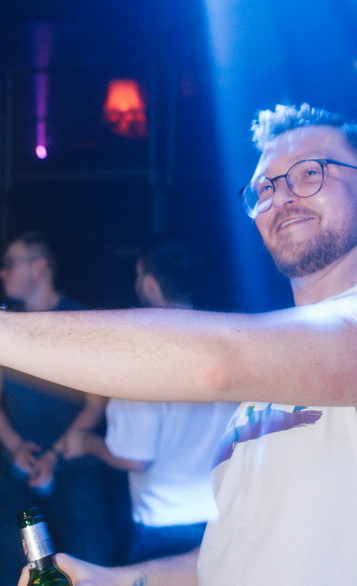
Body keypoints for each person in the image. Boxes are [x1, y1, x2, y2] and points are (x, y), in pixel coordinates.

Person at [10, 103, 357, 585]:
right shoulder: (256, 404)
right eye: (265, 187)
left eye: (309, 173)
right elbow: (233, 555)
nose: (281, 196)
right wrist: (116, 581)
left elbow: (218, 363)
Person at [56, 236, 237, 562]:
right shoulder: (228, 342)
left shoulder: (143, 356)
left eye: (138, 275)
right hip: (226, 515)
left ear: (150, 284)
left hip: (167, 525)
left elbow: (135, 458)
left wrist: (87, 443)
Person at [0, 231, 116, 583]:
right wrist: (15, 446)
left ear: (40, 266)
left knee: (91, 567)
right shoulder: (8, 325)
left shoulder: (80, 320)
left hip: (74, 469)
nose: (3, 273)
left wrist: (55, 454)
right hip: (19, 470)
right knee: (15, 571)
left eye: (10, 264)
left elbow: (96, 404)